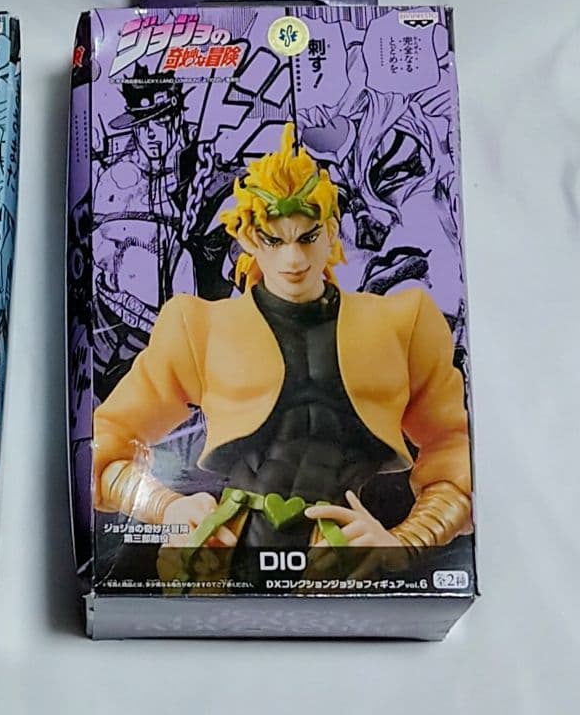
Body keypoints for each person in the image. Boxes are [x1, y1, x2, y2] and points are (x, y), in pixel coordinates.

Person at [92, 124, 472, 577]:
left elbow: (455, 453)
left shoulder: (403, 324)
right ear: (248, 239)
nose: (293, 259)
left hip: (342, 558)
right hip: (224, 553)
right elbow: (106, 446)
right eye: (274, 240)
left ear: (331, 231)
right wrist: (166, 507)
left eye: (307, 237)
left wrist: (405, 542)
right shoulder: (199, 328)